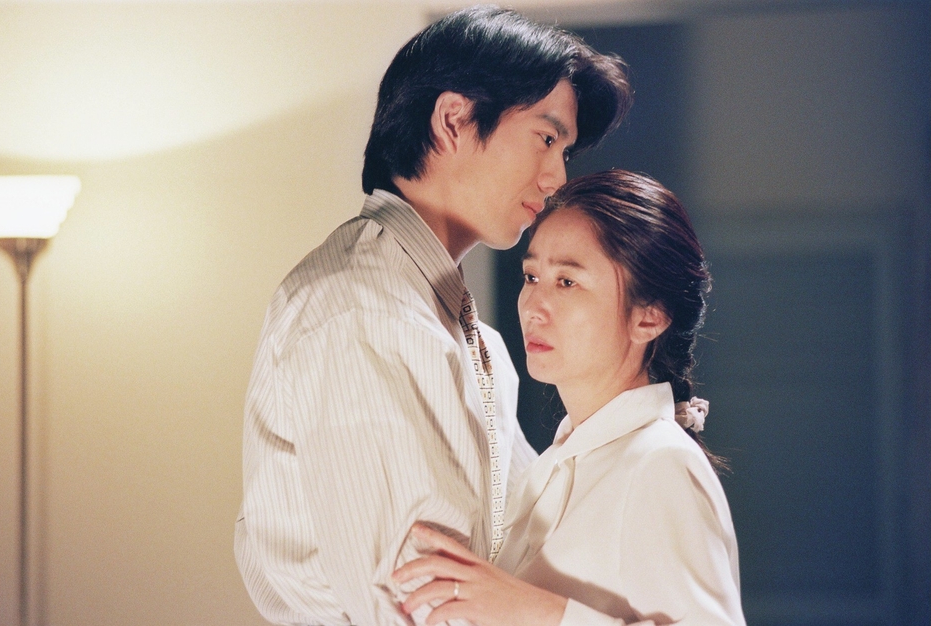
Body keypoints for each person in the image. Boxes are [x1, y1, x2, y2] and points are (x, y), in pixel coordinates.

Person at [234, 6, 633, 625]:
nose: (557, 177)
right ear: (454, 120)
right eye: (546, 138)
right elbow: (420, 605)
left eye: (564, 150)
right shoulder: (365, 309)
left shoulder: (466, 334)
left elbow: (530, 544)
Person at [393, 170, 746, 625]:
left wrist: (532, 609)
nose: (532, 306)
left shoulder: (659, 463)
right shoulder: (553, 467)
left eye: (567, 282)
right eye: (531, 275)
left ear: (649, 317)